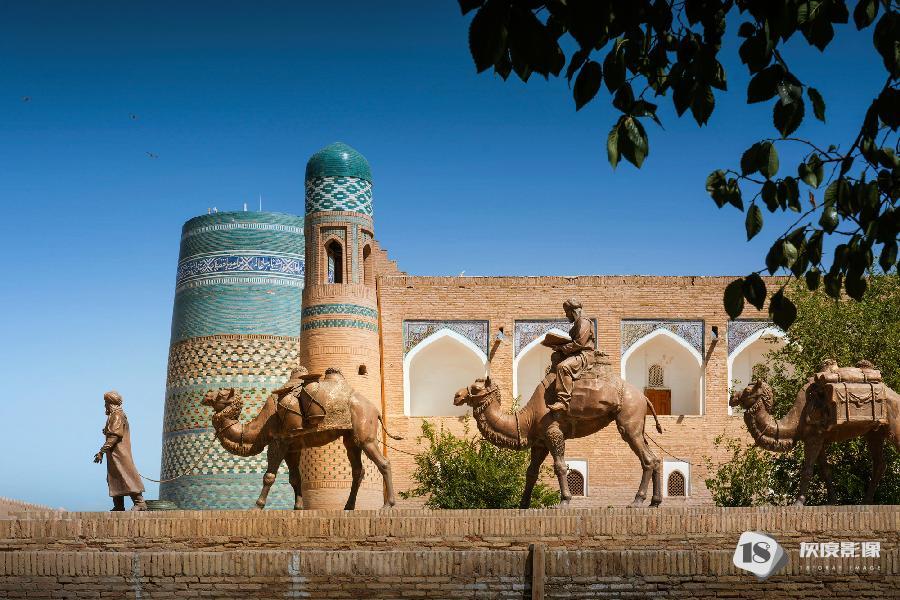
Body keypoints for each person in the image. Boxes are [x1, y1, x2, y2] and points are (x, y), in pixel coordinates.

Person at [93, 391, 147, 511]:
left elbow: (114, 436)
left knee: (126, 476)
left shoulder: (117, 415)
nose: (105, 406)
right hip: (114, 454)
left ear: (110, 403)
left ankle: (140, 503)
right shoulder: (116, 415)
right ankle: (118, 505)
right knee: (114, 478)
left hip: (119, 454)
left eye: (106, 403)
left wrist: (101, 451)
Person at [548, 299, 596, 413]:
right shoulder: (578, 322)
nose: (566, 315)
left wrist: (562, 347)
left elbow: (580, 343)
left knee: (563, 367)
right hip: (576, 353)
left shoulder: (583, 321)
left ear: (573, 311)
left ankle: (563, 401)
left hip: (584, 355)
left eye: (567, 312)